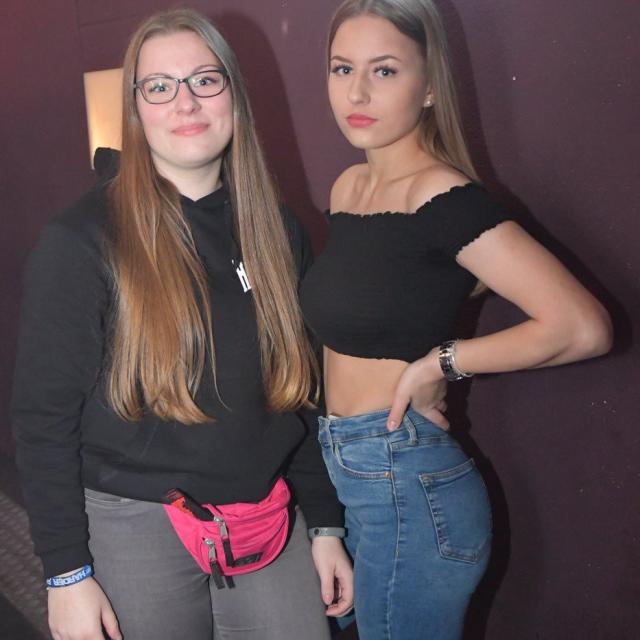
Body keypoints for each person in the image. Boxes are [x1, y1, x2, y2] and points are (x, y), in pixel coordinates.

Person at [11, 8, 352, 640]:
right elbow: (42, 420)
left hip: (265, 512)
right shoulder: (82, 241)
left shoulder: (278, 230)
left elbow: (300, 394)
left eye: (205, 80)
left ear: (233, 95)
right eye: (160, 86)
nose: (185, 102)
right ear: (135, 109)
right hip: (134, 520)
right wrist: (65, 574)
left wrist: (326, 524)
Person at [299, 1, 613, 638]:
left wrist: (441, 364)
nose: (356, 92)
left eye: (385, 70)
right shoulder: (348, 188)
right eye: (342, 68)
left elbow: (581, 326)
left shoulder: (442, 196)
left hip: (407, 480)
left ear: (430, 86)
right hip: (353, 470)